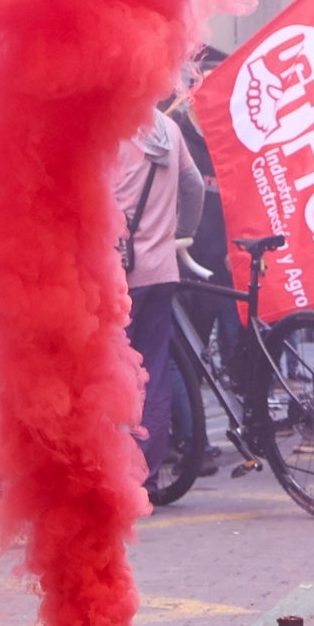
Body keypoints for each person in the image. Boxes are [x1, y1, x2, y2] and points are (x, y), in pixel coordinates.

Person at [112, 91, 189, 496]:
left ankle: (118, 476)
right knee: (154, 374)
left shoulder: (113, 134)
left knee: (114, 376)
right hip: (164, 272)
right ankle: (149, 476)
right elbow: (192, 187)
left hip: (121, 277)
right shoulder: (171, 130)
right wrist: (183, 233)